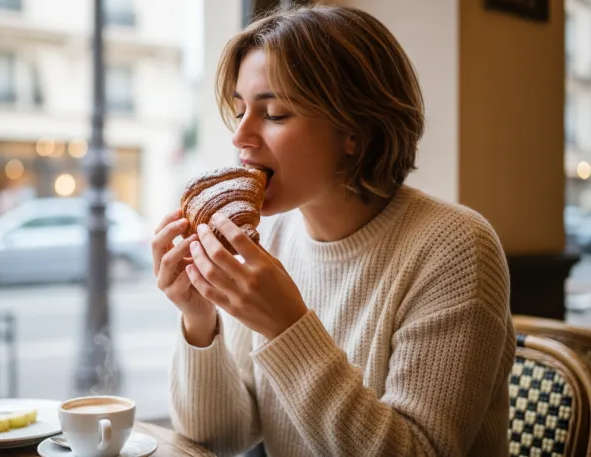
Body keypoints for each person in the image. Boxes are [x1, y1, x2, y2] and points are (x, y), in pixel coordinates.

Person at [152, 5, 514, 457]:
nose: (240, 136)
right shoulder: (272, 236)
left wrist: (287, 327)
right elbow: (223, 437)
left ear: (355, 132)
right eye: (240, 109)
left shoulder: (456, 247)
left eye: (276, 112)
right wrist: (199, 320)